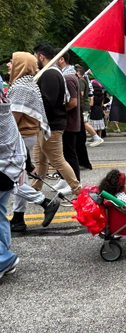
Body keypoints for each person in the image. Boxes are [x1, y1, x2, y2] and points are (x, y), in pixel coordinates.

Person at [6, 52, 60, 231]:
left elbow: (11, 119)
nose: (8, 65)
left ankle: (45, 202)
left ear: (21, 65)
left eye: (12, 62)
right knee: (19, 177)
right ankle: (19, 218)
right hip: (25, 136)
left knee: (8, 179)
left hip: (17, 136)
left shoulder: (21, 87)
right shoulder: (28, 84)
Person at [32, 43, 81, 199]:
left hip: (51, 125)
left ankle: (78, 191)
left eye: (35, 56)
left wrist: (31, 108)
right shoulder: (54, 72)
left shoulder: (49, 74)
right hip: (47, 124)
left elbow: (48, 102)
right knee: (40, 161)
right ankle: (34, 191)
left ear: (41, 57)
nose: (34, 60)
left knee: (58, 160)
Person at [0, 88, 25, 278]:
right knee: (0, 214)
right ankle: (5, 256)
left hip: (3, 168)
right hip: (9, 168)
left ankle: (3, 258)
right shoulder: (5, 105)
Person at [52, 51, 81, 198]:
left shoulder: (68, 77)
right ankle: (64, 180)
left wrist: (58, 111)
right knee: (65, 153)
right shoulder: (69, 75)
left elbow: (73, 102)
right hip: (69, 122)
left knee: (69, 154)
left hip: (69, 122)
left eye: (55, 59)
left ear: (61, 59)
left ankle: (75, 182)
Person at [75, 66, 93, 170]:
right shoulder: (82, 80)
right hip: (82, 107)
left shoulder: (81, 81)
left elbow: (80, 94)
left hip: (81, 107)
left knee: (84, 123)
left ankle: (96, 137)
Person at [88, 80, 107, 144]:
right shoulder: (101, 96)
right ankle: (99, 136)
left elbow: (91, 104)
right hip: (99, 110)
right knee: (100, 124)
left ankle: (95, 137)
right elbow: (102, 104)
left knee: (94, 125)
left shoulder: (93, 96)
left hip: (94, 110)